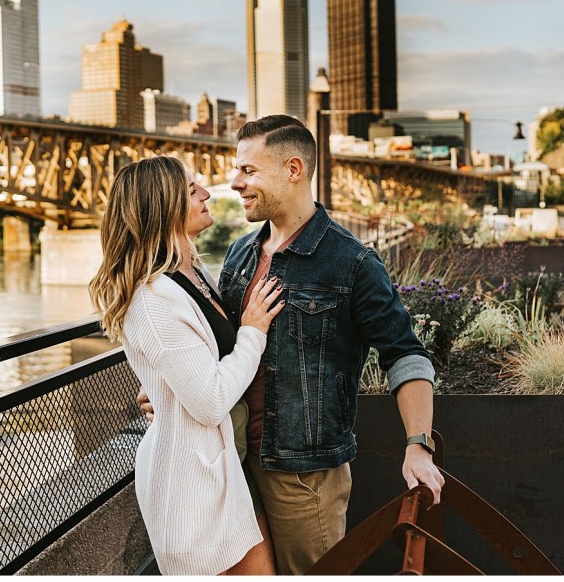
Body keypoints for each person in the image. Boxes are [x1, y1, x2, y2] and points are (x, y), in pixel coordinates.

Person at [140, 114, 445, 575]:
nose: (234, 182)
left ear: (294, 169)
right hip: (234, 465)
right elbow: (222, 347)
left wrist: (418, 445)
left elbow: (405, 354)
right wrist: (170, 389)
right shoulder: (241, 253)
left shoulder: (352, 261)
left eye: (248, 170)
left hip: (304, 477)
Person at [88, 155, 284, 576]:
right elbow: (211, 401)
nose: (207, 193)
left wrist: (165, 392)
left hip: (228, 472)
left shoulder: (193, 272)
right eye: (193, 189)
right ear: (163, 205)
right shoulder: (154, 300)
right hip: (194, 491)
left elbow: (195, 369)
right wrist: (252, 331)